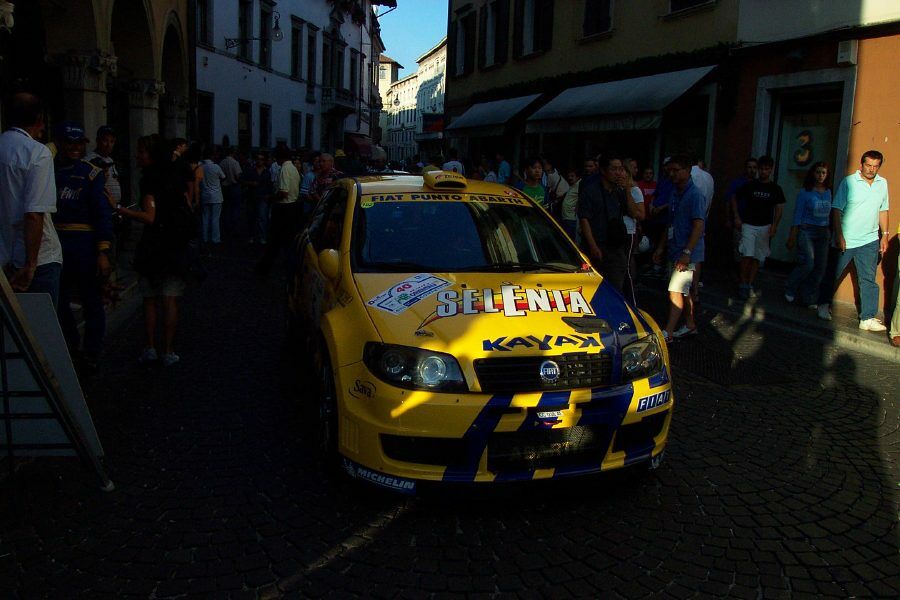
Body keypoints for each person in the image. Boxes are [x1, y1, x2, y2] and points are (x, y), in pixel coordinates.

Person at [116, 135, 191, 367]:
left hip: (153, 246)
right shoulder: (175, 174)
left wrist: (119, 209)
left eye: (141, 152)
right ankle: (168, 350)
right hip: (175, 245)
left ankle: (150, 347)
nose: (137, 156)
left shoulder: (149, 179)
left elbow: (150, 217)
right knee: (170, 300)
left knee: (149, 299)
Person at [52, 122, 113, 371]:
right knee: (59, 302)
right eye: (70, 143)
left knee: (91, 302)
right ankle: (71, 346)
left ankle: (91, 352)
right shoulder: (49, 171)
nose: (75, 148)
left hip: (85, 246)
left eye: (79, 144)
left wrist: (103, 251)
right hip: (57, 245)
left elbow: (101, 214)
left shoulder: (92, 173)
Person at [0, 93, 63, 306]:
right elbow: (34, 214)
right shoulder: (38, 153)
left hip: (5, 256)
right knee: (40, 327)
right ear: (38, 119)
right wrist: (31, 264)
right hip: (37, 258)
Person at [817, 150, 890, 331]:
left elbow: (883, 210)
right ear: (862, 164)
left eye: (875, 166)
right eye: (868, 165)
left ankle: (867, 318)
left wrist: (885, 235)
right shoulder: (849, 182)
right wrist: (839, 235)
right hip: (846, 239)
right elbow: (836, 209)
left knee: (868, 279)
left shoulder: (883, 183)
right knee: (833, 274)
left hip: (870, 240)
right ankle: (823, 305)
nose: (871, 169)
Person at [653, 156, 706, 342]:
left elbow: (698, 225)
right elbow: (670, 222)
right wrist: (661, 247)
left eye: (676, 170)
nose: (672, 174)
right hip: (675, 248)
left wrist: (687, 253)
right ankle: (690, 324)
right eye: (669, 170)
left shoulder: (696, 195)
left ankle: (668, 331)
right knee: (684, 290)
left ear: (687, 170)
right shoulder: (675, 193)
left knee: (675, 289)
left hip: (686, 253)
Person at [733, 155, 785, 299]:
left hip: (765, 226)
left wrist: (774, 225)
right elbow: (734, 197)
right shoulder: (751, 185)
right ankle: (743, 282)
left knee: (757, 257)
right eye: (761, 169)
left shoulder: (775, 189)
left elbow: (779, 208)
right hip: (749, 224)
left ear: (771, 170)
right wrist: (737, 216)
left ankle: (750, 282)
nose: (763, 172)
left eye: (766, 169)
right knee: (747, 255)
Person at [578, 155, 631, 293]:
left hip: (616, 248)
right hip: (597, 247)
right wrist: (593, 246)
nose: (618, 173)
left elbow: (634, 212)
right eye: (614, 169)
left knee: (615, 289)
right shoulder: (591, 191)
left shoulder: (619, 192)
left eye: (620, 169)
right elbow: (584, 219)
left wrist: (627, 189)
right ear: (603, 170)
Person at [784, 162, 832, 307]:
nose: (821, 176)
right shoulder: (805, 192)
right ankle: (790, 287)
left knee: (820, 267)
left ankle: (808, 296)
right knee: (808, 263)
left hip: (823, 231)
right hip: (807, 230)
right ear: (813, 173)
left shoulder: (829, 191)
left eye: (823, 173)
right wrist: (793, 235)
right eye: (818, 172)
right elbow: (797, 214)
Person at [255, 145, 302, 275]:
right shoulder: (293, 168)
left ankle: (265, 269)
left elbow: (284, 192)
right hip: (292, 206)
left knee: (275, 241)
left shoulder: (285, 169)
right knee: (285, 242)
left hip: (284, 208)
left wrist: (271, 198)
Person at [724, 157, 758, 275]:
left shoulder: (759, 184)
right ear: (745, 168)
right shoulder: (737, 183)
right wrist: (729, 218)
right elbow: (729, 200)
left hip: (754, 223)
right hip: (740, 221)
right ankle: (738, 275)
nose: (752, 170)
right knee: (739, 250)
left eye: (754, 167)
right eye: (749, 167)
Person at [619, 165, 646, 305]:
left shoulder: (634, 191)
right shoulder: (613, 189)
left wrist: (627, 191)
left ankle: (631, 302)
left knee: (627, 266)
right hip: (613, 232)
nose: (620, 174)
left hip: (628, 232)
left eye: (623, 171)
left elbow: (640, 214)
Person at [241, 151, 274, 245]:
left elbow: (269, 185)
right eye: (258, 159)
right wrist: (251, 183)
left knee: (263, 218)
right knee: (251, 217)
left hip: (263, 198)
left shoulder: (267, 172)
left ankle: (262, 237)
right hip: (251, 197)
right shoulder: (250, 170)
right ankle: (251, 236)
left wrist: (269, 195)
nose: (259, 161)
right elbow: (242, 180)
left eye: (262, 159)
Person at [199, 147, 226, 248]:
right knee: (215, 218)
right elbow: (223, 177)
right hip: (216, 195)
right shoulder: (216, 167)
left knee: (205, 217)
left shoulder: (201, 166)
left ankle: (205, 237)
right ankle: (215, 238)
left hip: (205, 194)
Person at [219, 146, 243, 241]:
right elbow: (238, 176)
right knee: (235, 209)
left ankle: (226, 228)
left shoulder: (222, 162)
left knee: (226, 209)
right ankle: (234, 229)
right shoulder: (235, 163)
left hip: (225, 187)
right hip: (234, 187)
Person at [560, 168, 581, 241]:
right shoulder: (573, 186)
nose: (570, 178)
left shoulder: (580, 185)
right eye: (569, 176)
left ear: (578, 177)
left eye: (572, 176)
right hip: (567, 217)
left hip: (572, 218)